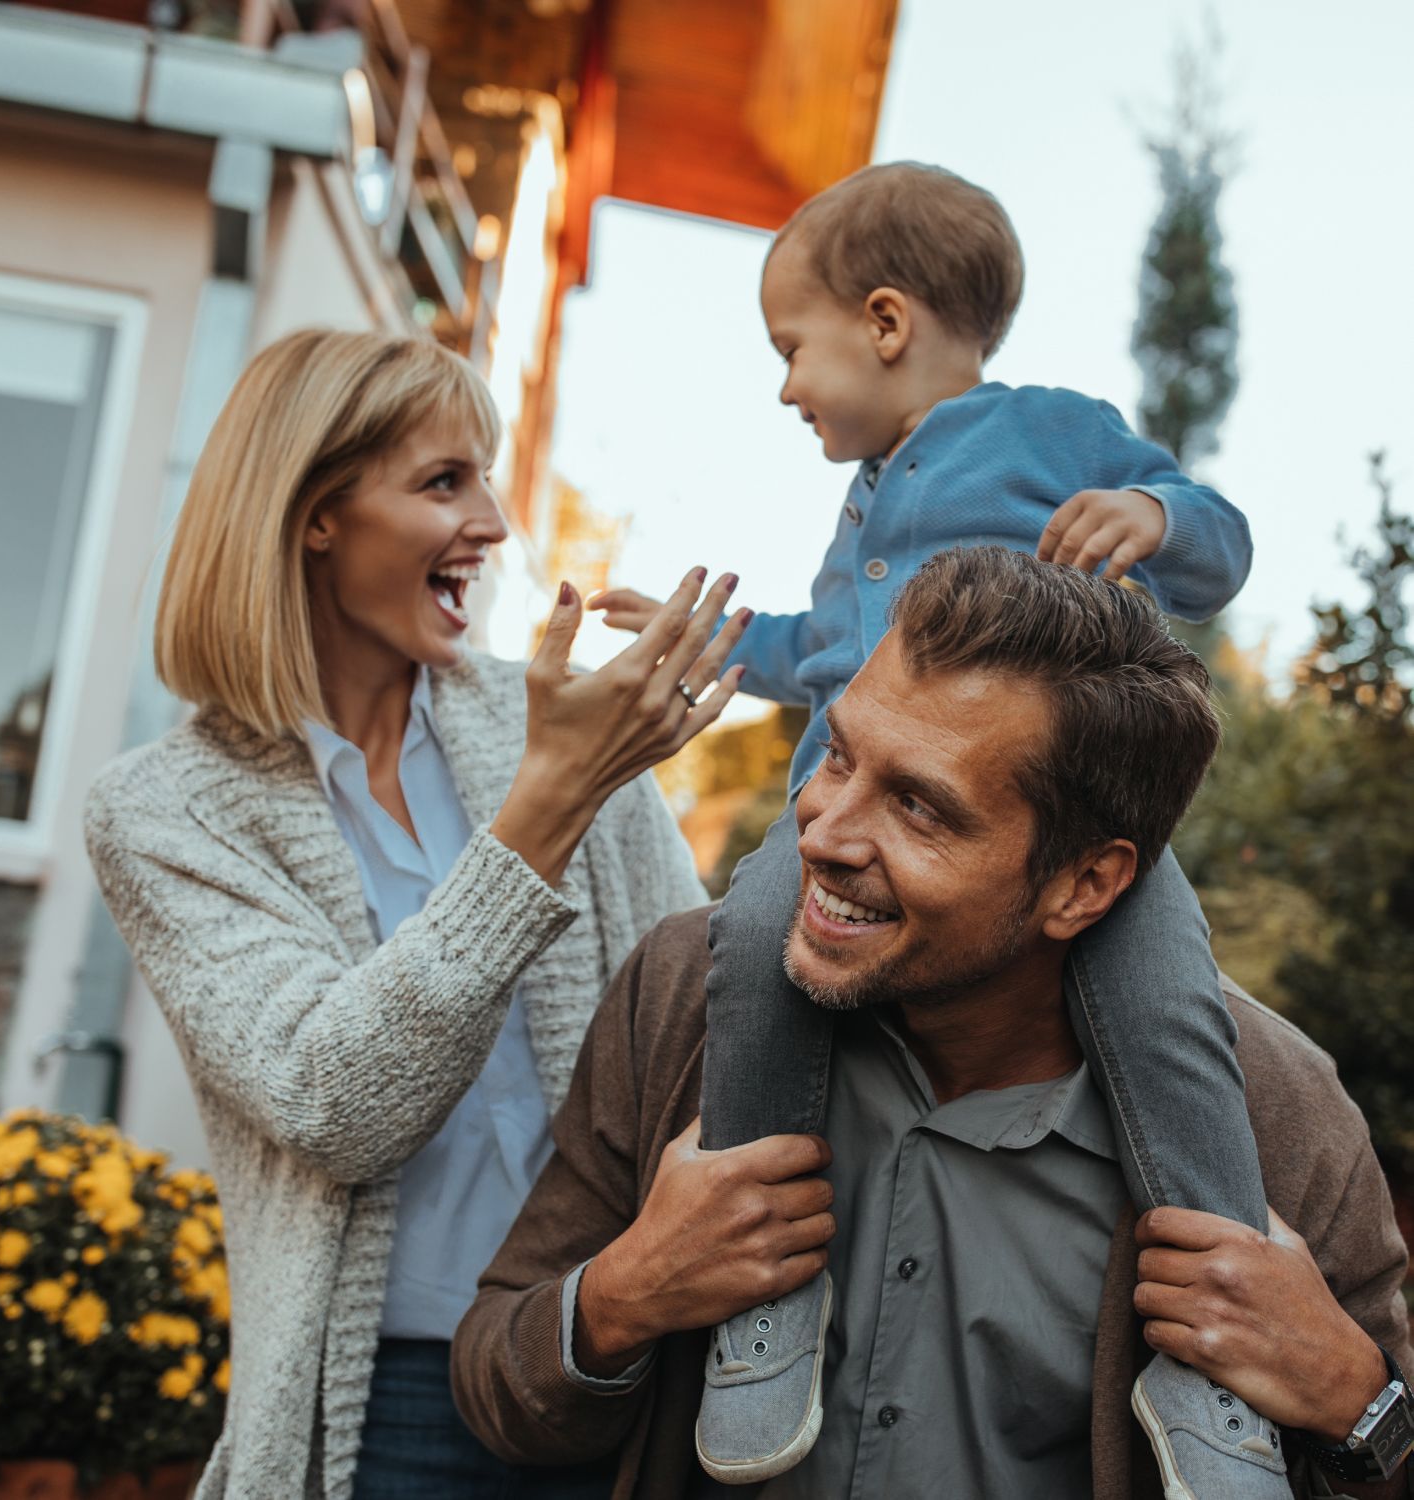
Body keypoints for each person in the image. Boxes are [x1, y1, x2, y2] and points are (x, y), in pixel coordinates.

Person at [454, 548, 1414, 1500]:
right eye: (838, 756)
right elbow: (496, 1393)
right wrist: (621, 1298)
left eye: (920, 808)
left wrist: (1355, 1403)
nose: (821, 835)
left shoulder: (1278, 1123)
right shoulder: (683, 999)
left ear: (1085, 884)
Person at [588, 161, 1265, 1491]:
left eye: (794, 348)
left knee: (1171, 1004)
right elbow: (825, 649)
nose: (786, 386)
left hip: (1060, 816)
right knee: (756, 940)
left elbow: (1220, 541)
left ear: (886, 323)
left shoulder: (1047, 431)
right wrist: (712, 639)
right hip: (844, 817)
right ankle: (768, 1297)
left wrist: (1155, 514)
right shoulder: (865, 504)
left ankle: (1217, 1347)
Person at [85, 329, 750, 1500]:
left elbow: (701, 1015)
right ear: (312, 516)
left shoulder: (554, 722)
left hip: (612, 1350)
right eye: (445, 482)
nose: (492, 523)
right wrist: (546, 808)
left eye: (486, 478)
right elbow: (334, 1105)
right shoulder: (163, 812)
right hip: (393, 1402)